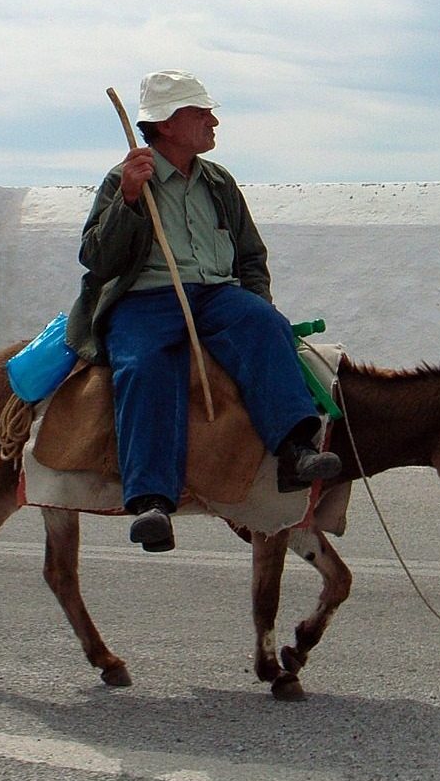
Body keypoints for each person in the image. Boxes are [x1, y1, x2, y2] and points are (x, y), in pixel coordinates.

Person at [65, 70, 340, 552]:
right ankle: (151, 500)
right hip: (145, 299)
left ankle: (296, 450)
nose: (213, 121)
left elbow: (250, 255)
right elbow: (97, 258)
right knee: (143, 364)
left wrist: (257, 301)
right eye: (200, 112)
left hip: (216, 296)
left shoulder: (217, 181)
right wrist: (129, 199)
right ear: (168, 124)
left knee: (265, 325)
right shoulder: (124, 179)